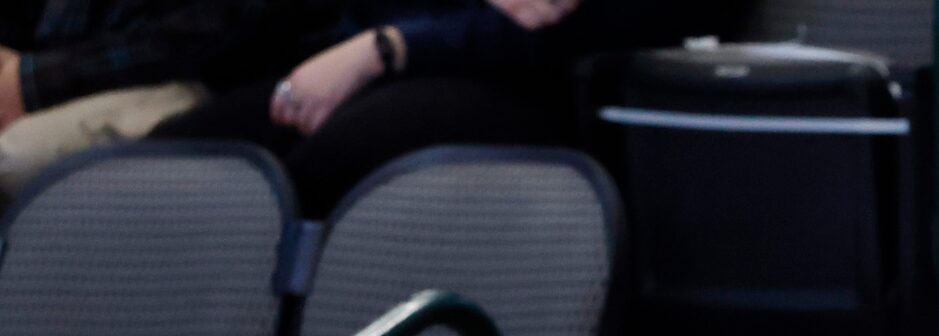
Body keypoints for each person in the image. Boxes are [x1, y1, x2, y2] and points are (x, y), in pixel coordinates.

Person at [151, 0, 705, 216]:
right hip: (395, 50)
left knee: (325, 163)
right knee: (173, 160)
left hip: (542, 80)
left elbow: (545, 23)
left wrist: (389, 47)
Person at [0, 0, 281, 206]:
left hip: (184, 77)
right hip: (17, 68)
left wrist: (33, 84)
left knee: (16, 160)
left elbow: (218, 28)